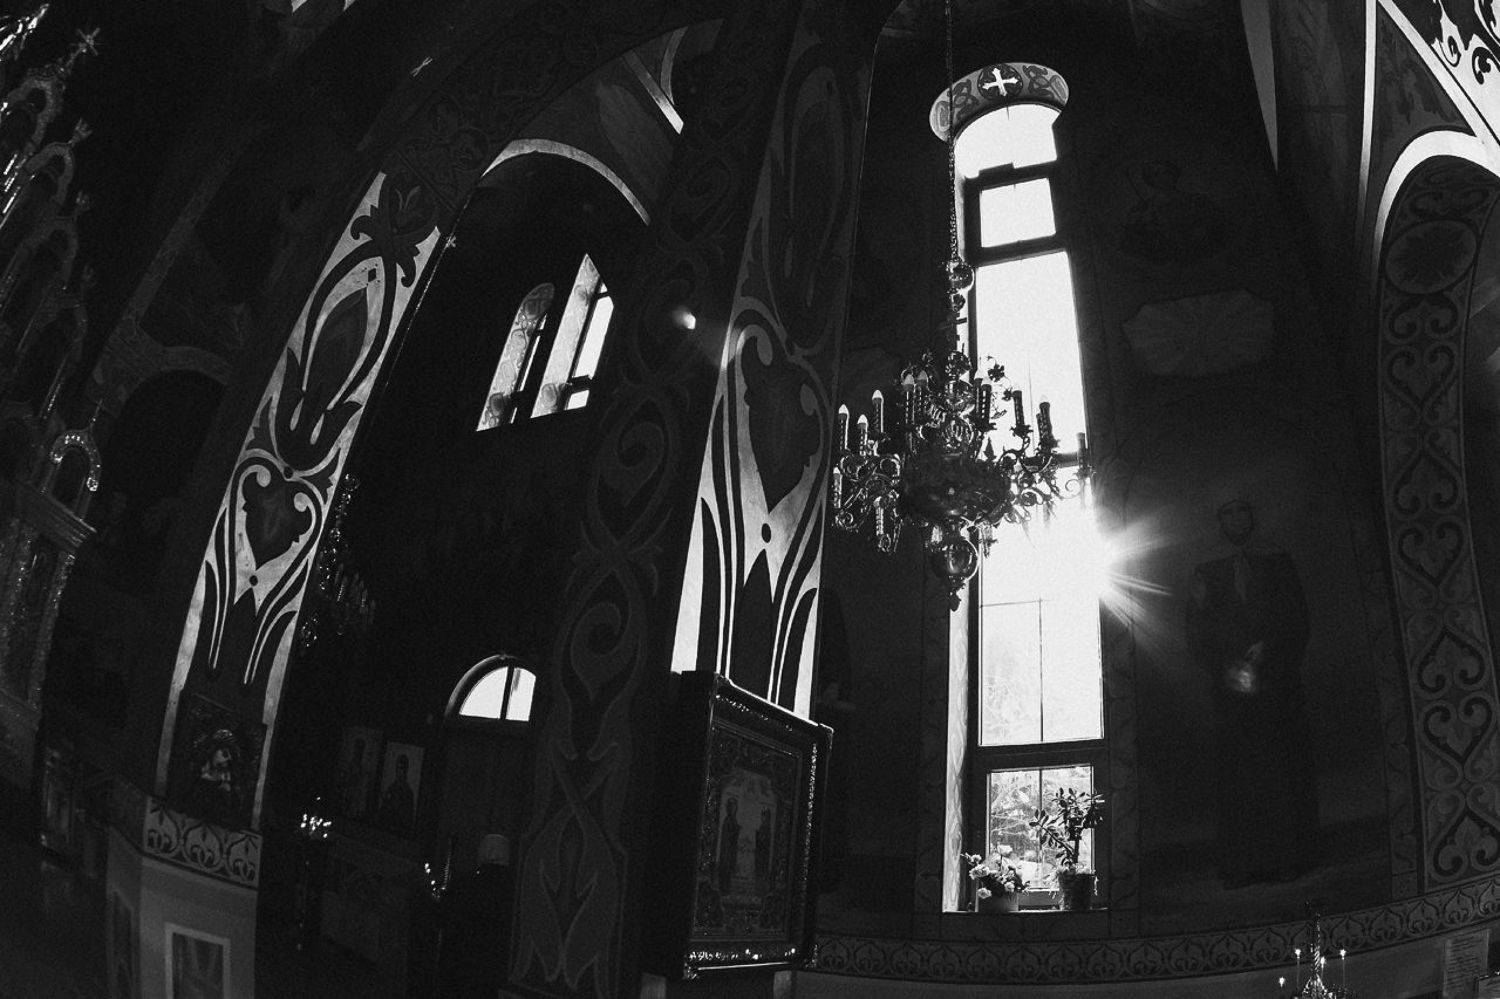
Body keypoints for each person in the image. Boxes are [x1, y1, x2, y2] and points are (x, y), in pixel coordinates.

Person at [1186, 494, 1319, 888]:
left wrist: (1269, 648)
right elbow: (1197, 629)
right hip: (1231, 689)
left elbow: (1296, 617)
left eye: (1241, 510)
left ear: (1252, 515)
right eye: (1227, 512)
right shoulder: (1206, 569)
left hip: (1277, 683)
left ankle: (1288, 858)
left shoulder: (1277, 561)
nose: (1235, 519)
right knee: (1238, 774)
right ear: (1219, 520)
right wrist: (1229, 662)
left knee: (1281, 767)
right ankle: (1241, 865)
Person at [378, 753, 416, 831]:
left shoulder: (408, 793)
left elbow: (408, 820)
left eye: (402, 768)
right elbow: (382, 812)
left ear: (406, 770)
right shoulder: (391, 788)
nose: (399, 772)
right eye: (397, 768)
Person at [717, 797, 741, 893]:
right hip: (727, 850)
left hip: (730, 850)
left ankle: (726, 888)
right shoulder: (728, 820)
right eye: (731, 807)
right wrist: (736, 830)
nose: (732, 809)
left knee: (728, 870)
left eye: (734, 807)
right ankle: (724, 889)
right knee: (725, 868)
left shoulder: (733, 819)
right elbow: (729, 835)